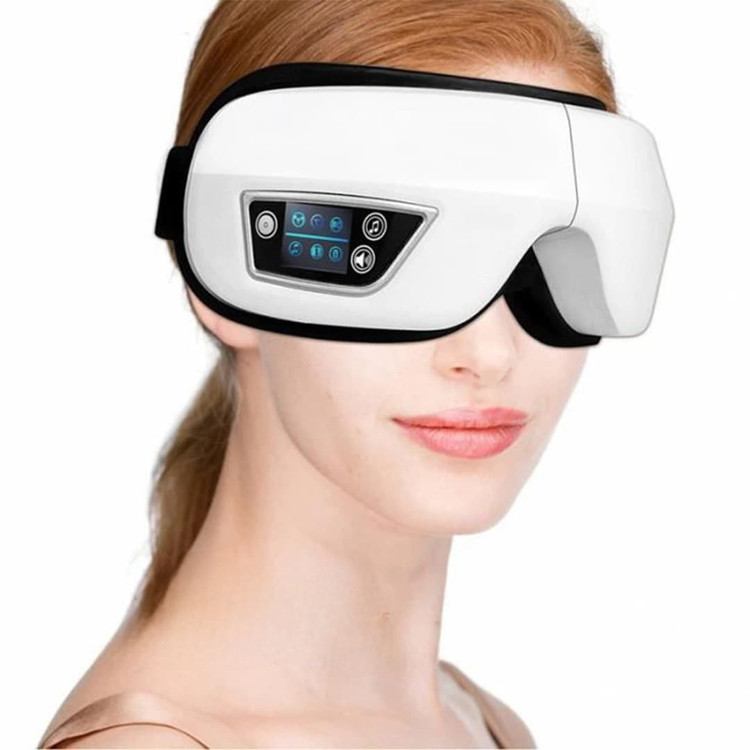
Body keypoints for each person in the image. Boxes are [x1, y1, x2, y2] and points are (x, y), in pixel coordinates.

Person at [38, 0, 619, 747]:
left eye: (547, 258)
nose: (490, 353)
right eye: (396, 251)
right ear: (220, 267)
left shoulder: (481, 725)